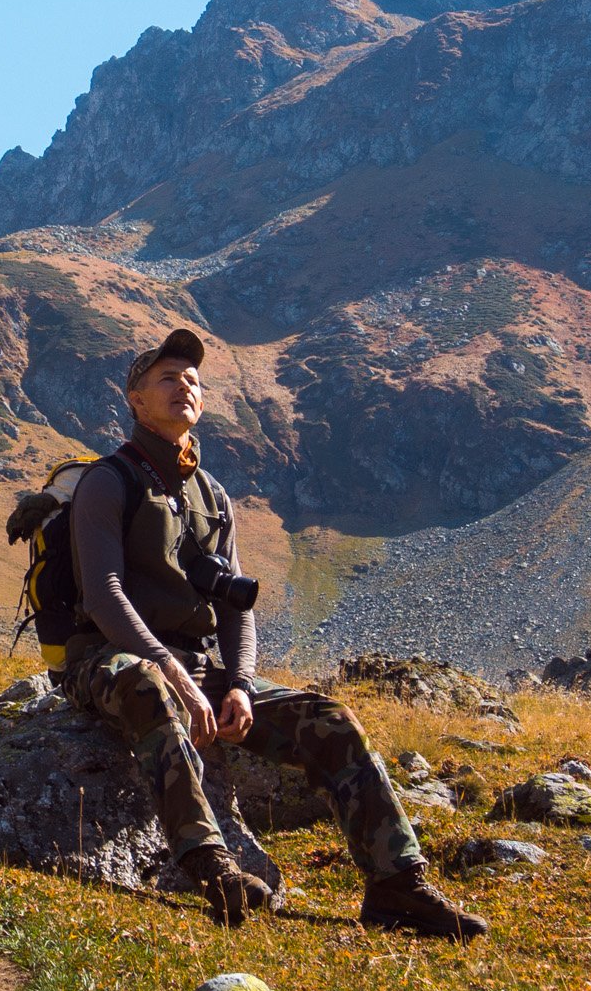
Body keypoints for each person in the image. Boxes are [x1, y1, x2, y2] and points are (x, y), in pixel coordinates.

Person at [60, 327, 486, 938]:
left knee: (332, 721)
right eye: (167, 378)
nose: (185, 386)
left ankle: (399, 884)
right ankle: (212, 868)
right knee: (149, 686)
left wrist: (237, 684)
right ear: (135, 399)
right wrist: (174, 672)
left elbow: (236, 604)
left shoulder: (212, 495)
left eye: (193, 380)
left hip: (200, 668)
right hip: (111, 660)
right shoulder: (108, 482)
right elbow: (104, 594)